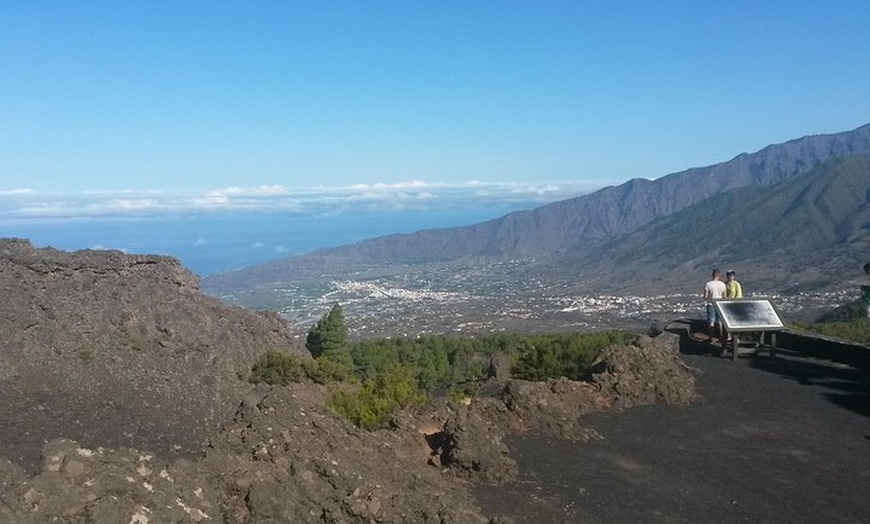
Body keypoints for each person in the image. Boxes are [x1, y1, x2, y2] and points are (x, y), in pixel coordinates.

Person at [703, 268, 727, 343]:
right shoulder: (722, 284)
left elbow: (705, 296)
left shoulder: (708, 284)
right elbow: (724, 296)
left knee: (711, 322)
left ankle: (710, 338)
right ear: (719, 275)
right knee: (719, 322)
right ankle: (720, 337)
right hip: (720, 304)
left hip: (711, 304)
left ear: (712, 275)